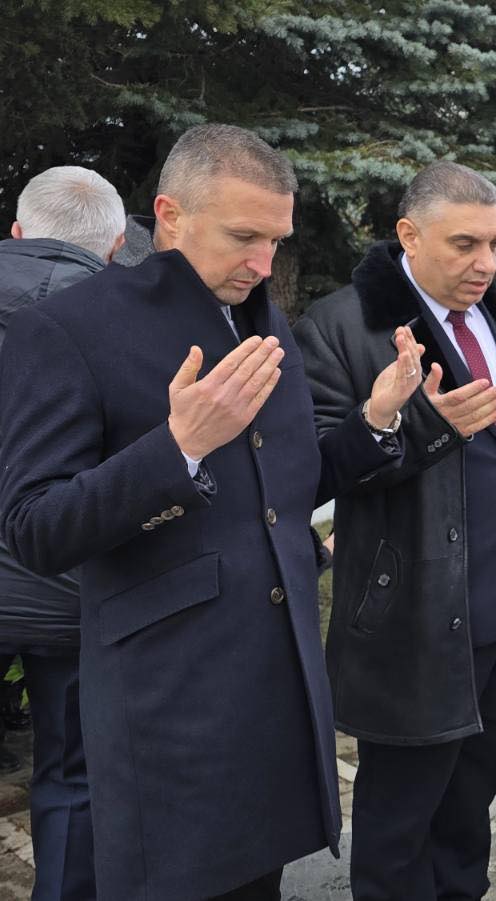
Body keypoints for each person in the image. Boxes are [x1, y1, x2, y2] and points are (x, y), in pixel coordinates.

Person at [0, 123, 418, 900]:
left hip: (274, 687)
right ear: (170, 214)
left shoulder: (261, 318)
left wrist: (374, 420)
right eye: (243, 237)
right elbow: (34, 529)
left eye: (276, 240)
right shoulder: (67, 328)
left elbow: (284, 484)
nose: (263, 263)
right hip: (170, 709)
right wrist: (178, 447)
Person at [295, 161, 496, 901]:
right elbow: (312, 471)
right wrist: (403, 423)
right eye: (464, 244)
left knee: (470, 808)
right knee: (400, 820)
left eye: (495, 244)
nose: (485, 263)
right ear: (409, 235)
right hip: (412, 617)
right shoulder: (343, 326)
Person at [0, 164, 127, 901]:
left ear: (17, 231)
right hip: (72, 590)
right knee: (74, 777)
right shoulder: (127, 320)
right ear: (115, 246)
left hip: (62, 579)